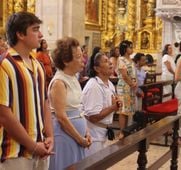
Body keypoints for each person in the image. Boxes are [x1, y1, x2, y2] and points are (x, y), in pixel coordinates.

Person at [0, 11, 53, 169]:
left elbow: (45, 102)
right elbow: (3, 114)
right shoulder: (4, 65)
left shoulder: (38, 65)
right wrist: (32, 145)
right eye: (35, 29)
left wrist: (49, 136)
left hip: (41, 147)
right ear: (20, 34)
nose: (41, 34)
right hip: (14, 153)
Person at [48, 37, 91, 170]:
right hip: (65, 137)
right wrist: (79, 139)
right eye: (78, 57)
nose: (83, 60)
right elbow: (61, 117)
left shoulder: (73, 78)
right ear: (66, 61)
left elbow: (79, 109)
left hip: (76, 136)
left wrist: (87, 132)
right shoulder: (59, 83)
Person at [82, 52, 122, 156]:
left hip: (103, 131)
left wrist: (116, 105)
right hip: (93, 134)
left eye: (109, 61)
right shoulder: (94, 86)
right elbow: (93, 117)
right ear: (97, 69)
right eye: (105, 61)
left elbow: (111, 107)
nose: (110, 63)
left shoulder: (109, 84)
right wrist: (114, 107)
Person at [116, 40, 137, 138]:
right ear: (125, 48)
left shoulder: (131, 60)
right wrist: (132, 83)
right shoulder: (121, 59)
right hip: (124, 86)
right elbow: (124, 75)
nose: (132, 49)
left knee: (129, 109)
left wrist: (135, 82)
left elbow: (133, 73)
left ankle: (127, 130)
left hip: (130, 86)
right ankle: (121, 132)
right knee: (123, 110)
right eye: (130, 47)